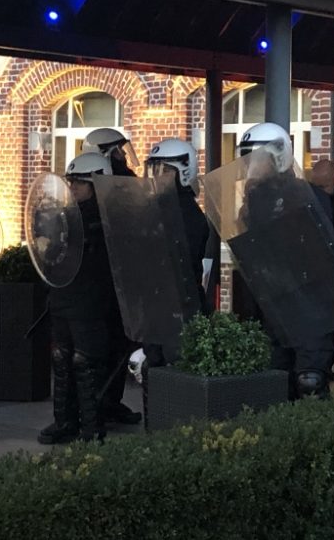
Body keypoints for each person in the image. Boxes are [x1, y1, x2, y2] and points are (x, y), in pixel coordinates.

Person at [236, 122, 334, 399]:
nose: (249, 167)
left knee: (310, 382)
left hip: (311, 303)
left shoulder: (308, 195)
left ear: (278, 156)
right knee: (272, 382)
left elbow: (322, 250)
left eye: (254, 159)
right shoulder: (253, 200)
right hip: (273, 305)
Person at [38, 152, 115, 444]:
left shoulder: (106, 219)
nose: (72, 189)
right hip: (62, 296)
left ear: (97, 185)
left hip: (89, 300)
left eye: (80, 184)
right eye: (70, 183)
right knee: (61, 358)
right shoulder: (65, 216)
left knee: (86, 362)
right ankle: (64, 421)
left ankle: (92, 426)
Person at [141, 138, 210, 423]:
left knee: (174, 370)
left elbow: (181, 262)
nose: (157, 177)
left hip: (179, 304)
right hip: (157, 301)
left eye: (163, 170)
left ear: (183, 170)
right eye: (154, 170)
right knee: (152, 366)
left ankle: (172, 430)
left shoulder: (188, 214)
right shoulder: (157, 207)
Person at [84, 126, 141, 426]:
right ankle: (97, 402)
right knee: (101, 346)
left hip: (124, 276)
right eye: (117, 151)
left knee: (120, 341)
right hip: (101, 281)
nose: (123, 156)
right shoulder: (91, 188)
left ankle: (112, 400)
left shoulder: (124, 183)